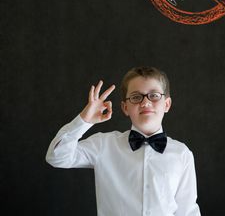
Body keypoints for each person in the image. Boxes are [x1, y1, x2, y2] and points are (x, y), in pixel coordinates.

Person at [46, 66, 201, 216]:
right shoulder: (104, 145)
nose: (145, 103)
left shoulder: (182, 153)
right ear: (125, 107)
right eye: (136, 97)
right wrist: (84, 120)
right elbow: (56, 156)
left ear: (166, 104)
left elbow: (187, 211)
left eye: (154, 95)